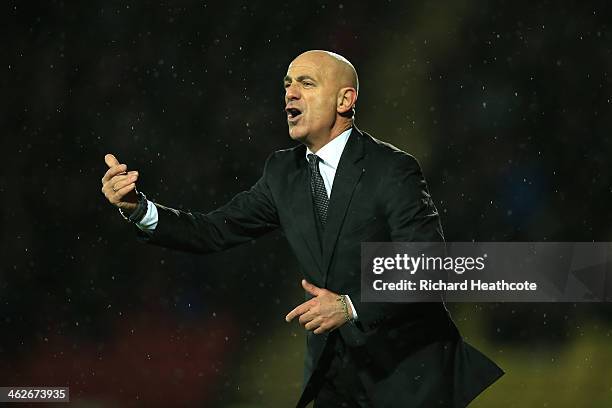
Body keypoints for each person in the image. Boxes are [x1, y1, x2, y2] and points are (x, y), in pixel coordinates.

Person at [101, 50, 503, 407]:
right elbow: (213, 230)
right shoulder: (283, 172)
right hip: (337, 378)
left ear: (345, 100)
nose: (289, 93)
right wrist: (139, 209)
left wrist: (350, 306)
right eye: (287, 84)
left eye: (306, 83)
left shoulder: (391, 170)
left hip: (407, 374)